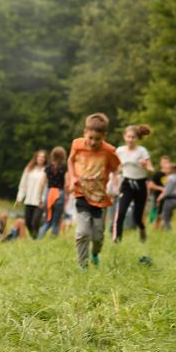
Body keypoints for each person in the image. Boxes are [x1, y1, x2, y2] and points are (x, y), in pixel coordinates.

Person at [67, 113, 121, 269]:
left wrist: (114, 183)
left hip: (100, 197)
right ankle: (82, 265)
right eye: (90, 138)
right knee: (83, 233)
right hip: (81, 193)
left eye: (97, 139)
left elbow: (116, 168)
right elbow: (70, 160)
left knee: (97, 236)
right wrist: (72, 178)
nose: (93, 142)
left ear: (104, 136)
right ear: (85, 132)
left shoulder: (109, 151)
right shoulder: (77, 144)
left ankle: (95, 253)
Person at [112, 124, 154, 243]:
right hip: (126, 184)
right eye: (129, 137)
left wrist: (145, 165)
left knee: (137, 217)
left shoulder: (142, 151)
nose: (131, 139)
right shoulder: (119, 150)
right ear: (124, 137)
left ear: (137, 138)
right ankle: (117, 239)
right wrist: (115, 179)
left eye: (133, 137)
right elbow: (115, 167)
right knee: (121, 212)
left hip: (140, 185)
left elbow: (151, 168)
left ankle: (141, 229)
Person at [15, 149, 47, 239]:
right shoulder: (29, 169)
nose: (41, 159)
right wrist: (20, 197)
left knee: (35, 222)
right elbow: (23, 184)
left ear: (45, 159)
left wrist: (44, 199)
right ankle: (34, 237)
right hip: (29, 199)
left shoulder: (46, 171)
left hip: (39, 201)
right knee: (28, 221)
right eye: (39, 157)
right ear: (36, 158)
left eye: (43, 157)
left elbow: (47, 187)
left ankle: (35, 238)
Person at [37, 146, 68, 239]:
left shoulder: (48, 168)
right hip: (60, 193)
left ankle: (39, 239)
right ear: (63, 156)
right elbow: (67, 184)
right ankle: (53, 241)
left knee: (48, 220)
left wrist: (40, 199)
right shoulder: (64, 168)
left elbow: (42, 183)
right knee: (56, 222)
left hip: (49, 193)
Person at [155, 160, 176, 231]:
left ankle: (169, 233)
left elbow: (167, 191)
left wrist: (160, 198)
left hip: (169, 200)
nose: (164, 170)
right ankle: (164, 232)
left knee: (165, 219)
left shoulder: (170, 178)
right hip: (175, 199)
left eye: (166, 169)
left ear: (171, 170)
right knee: (167, 218)